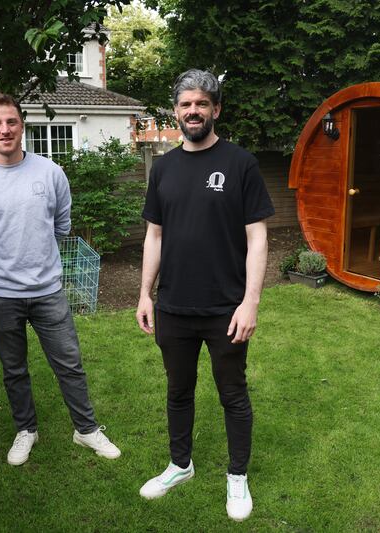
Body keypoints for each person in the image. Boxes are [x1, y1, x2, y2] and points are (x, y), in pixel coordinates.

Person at [0, 93, 120, 467]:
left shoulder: (50, 172)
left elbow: (61, 225)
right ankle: (26, 430)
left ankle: (86, 429)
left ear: (21, 125)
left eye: (11, 121)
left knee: (69, 364)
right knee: (14, 370)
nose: (5, 129)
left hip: (48, 291)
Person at [135, 69, 274, 522]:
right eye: (185, 104)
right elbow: (155, 235)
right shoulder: (163, 168)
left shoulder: (241, 164)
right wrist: (145, 294)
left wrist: (250, 302)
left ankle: (237, 476)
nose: (192, 111)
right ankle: (180, 465)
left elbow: (257, 237)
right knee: (178, 391)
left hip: (225, 309)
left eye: (201, 104)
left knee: (232, 393)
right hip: (174, 306)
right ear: (176, 112)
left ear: (216, 109)